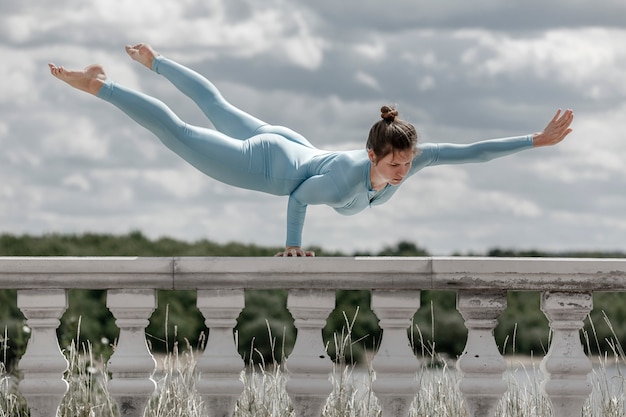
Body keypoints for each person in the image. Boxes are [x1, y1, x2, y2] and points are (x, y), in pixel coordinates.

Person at [49, 43, 574, 257]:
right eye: (395, 163)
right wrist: (293, 246)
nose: (403, 171)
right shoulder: (351, 173)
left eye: (408, 162)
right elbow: (300, 196)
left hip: (294, 145)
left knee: (218, 106)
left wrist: (534, 140)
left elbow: (472, 151)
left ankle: (153, 61)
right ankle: (104, 85)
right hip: (269, 165)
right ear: (373, 156)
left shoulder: (402, 162)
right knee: (181, 134)